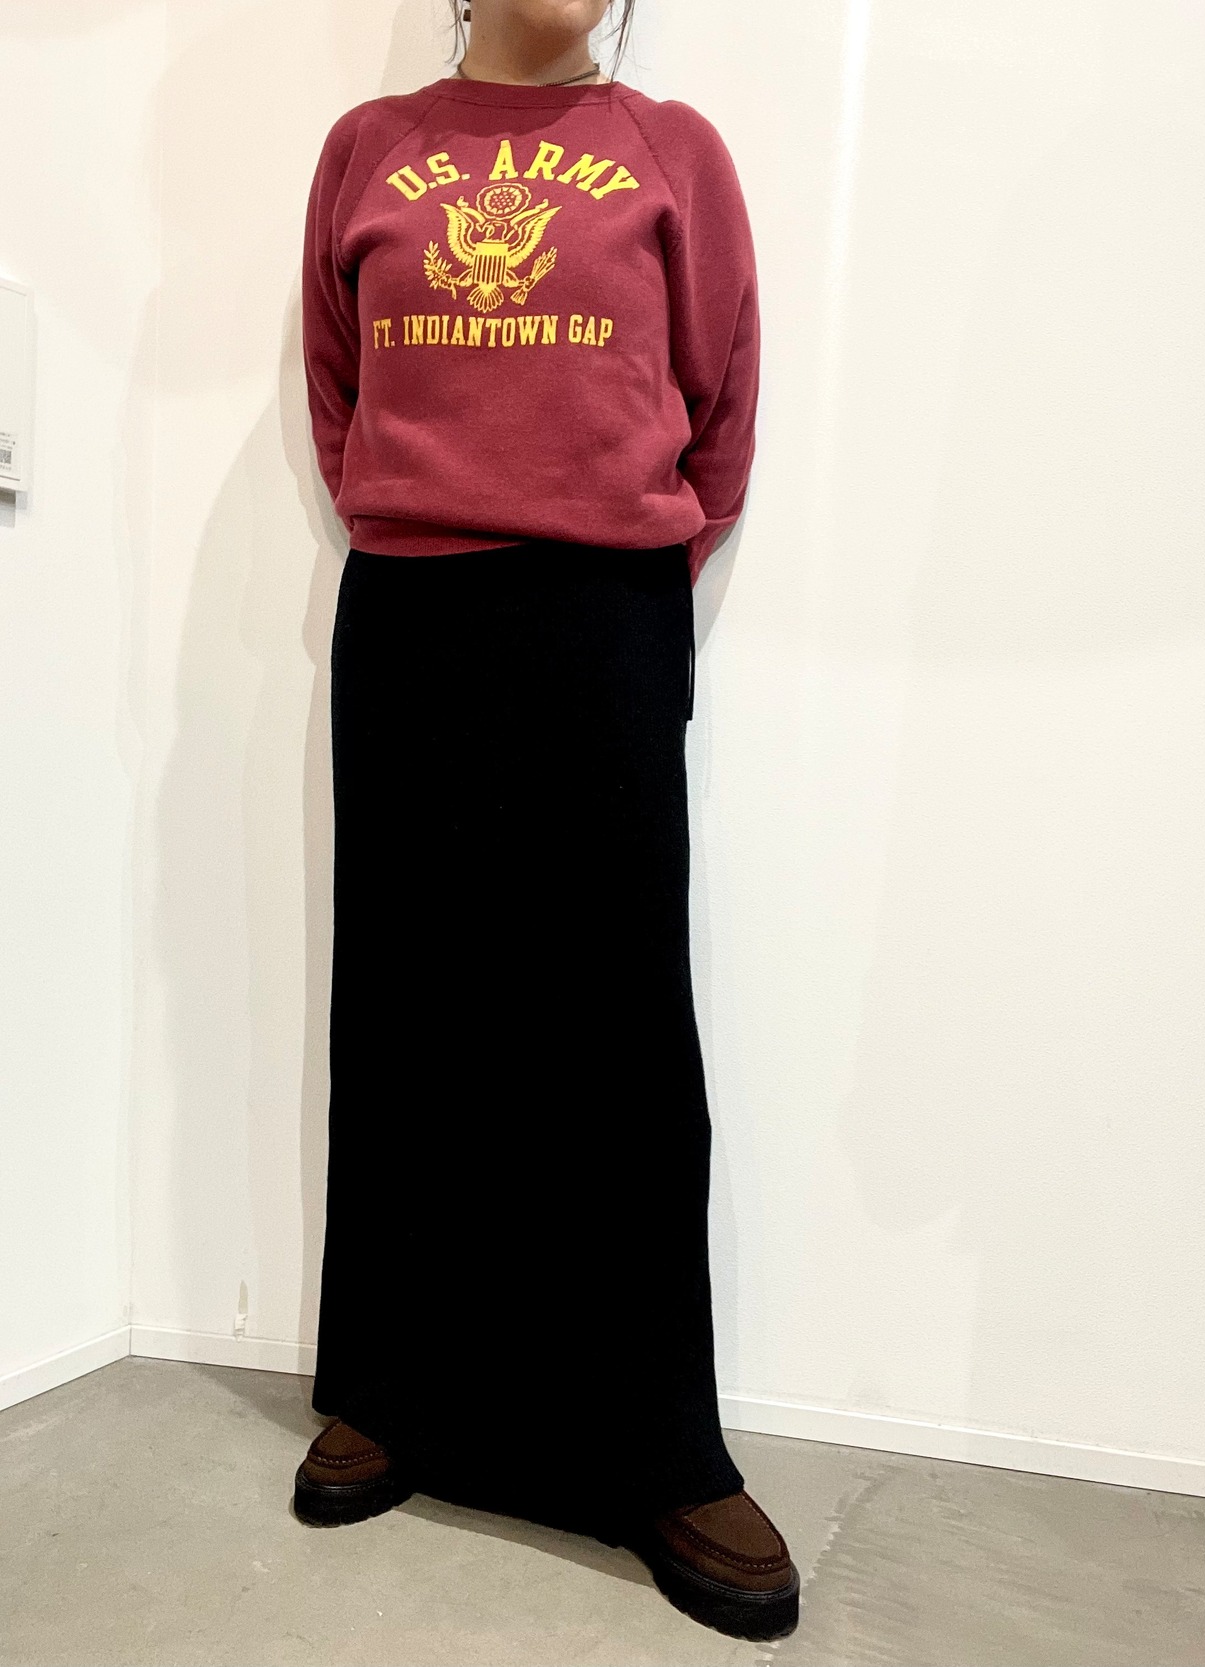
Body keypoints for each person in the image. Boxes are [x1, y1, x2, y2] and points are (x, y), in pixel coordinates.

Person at [293, 0, 798, 1642]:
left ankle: (656, 1444)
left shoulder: (674, 155)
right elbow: (339, 389)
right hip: (415, 616)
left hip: (601, 617)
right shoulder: (367, 153)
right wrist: (433, 522)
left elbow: (720, 401)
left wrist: (622, 572)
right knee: (409, 1004)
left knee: (618, 1026)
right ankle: (393, 1390)